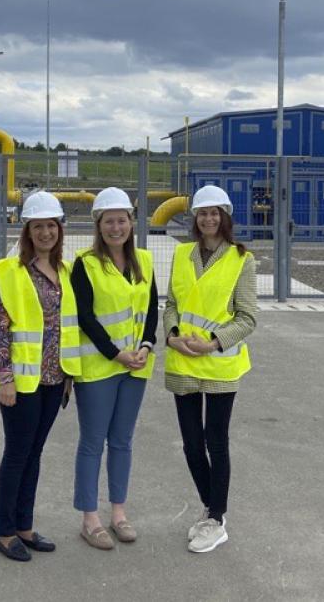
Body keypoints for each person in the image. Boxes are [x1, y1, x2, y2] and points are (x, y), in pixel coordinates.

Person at [0, 191, 82, 562]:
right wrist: (4, 378)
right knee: (17, 454)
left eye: (51, 225)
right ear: (27, 230)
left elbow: (65, 328)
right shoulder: (8, 271)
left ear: (59, 229)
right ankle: (4, 531)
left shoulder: (65, 272)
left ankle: (24, 525)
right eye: (38, 226)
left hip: (54, 381)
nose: (45, 232)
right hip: (21, 383)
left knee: (34, 454)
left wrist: (69, 373)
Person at [162, 184, 257, 553]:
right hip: (183, 359)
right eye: (203, 213)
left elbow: (248, 318)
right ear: (194, 219)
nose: (208, 219)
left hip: (219, 365)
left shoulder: (241, 259)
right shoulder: (182, 254)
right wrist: (171, 335)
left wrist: (214, 342)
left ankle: (217, 518)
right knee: (190, 443)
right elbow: (171, 303)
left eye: (215, 213)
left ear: (225, 217)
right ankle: (210, 507)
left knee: (216, 442)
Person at [68, 187, 159, 550]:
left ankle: (118, 513)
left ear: (132, 223)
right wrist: (116, 354)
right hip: (98, 369)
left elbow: (151, 310)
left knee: (122, 441)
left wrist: (147, 346)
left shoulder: (145, 262)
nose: (116, 228)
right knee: (92, 443)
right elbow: (85, 317)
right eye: (109, 221)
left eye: (122, 220)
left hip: (136, 366)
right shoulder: (85, 264)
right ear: (98, 225)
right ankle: (89, 519)